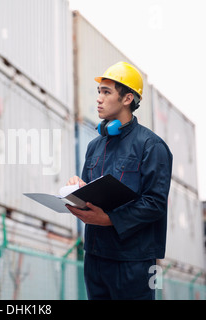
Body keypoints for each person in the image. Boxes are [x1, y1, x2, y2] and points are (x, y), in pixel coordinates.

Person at [66, 61, 173, 300]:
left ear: (127, 99)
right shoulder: (95, 145)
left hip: (133, 261)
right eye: (99, 92)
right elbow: (92, 192)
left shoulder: (151, 146)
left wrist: (109, 219)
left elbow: (155, 203)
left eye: (107, 92)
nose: (99, 99)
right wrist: (77, 189)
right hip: (95, 257)